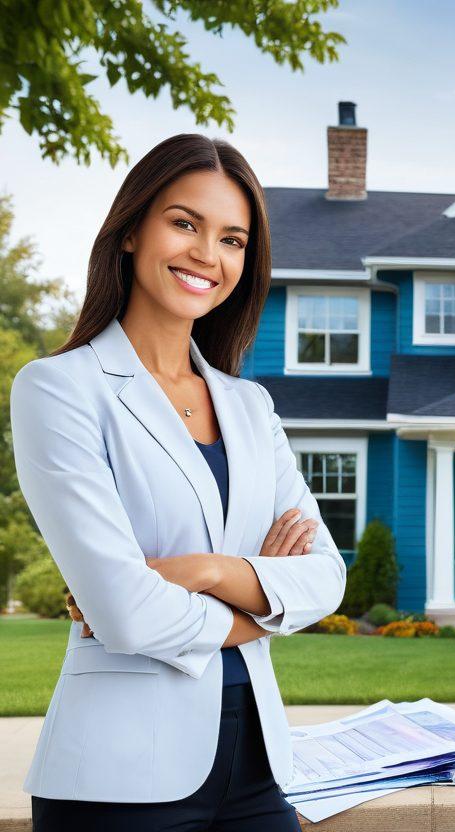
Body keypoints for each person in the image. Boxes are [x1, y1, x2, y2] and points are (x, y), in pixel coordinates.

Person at [9, 133, 348, 831]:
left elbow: (325, 578)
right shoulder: (58, 389)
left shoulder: (250, 406)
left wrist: (201, 569)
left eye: (232, 238)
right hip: (116, 784)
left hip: (256, 771)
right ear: (132, 230)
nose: (207, 255)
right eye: (185, 223)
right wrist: (261, 612)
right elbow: (126, 612)